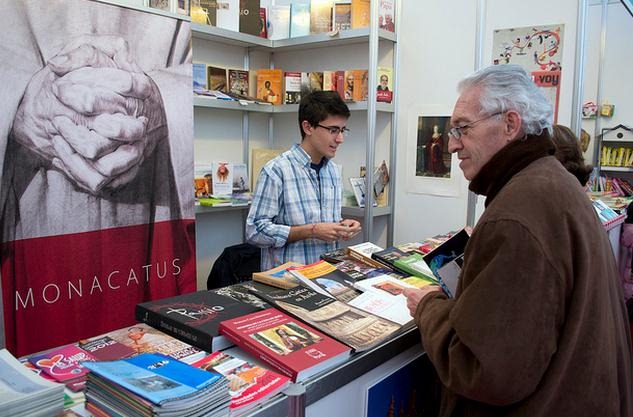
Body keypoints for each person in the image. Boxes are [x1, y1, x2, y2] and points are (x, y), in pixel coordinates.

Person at [403, 64, 632, 417]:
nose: (450, 145)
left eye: (462, 129)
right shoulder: (552, 182)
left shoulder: (516, 214)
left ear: (510, 124)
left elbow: (484, 371)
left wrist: (428, 308)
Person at [246, 91, 361, 270]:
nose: (340, 139)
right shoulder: (277, 170)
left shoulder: (332, 171)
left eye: (343, 130)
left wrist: (342, 227)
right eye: (333, 130)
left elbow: (324, 223)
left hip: (326, 276)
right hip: (288, 283)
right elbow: (255, 231)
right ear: (308, 127)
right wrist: (311, 231)